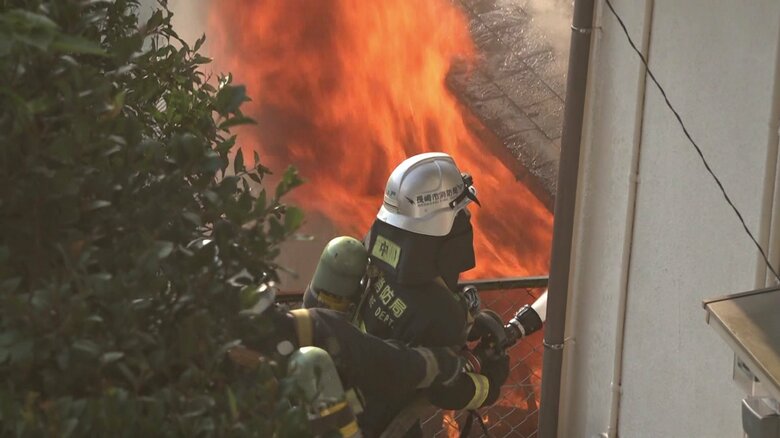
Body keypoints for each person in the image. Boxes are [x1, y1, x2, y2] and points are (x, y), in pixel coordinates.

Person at [354, 152, 509, 437]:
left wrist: (467, 323)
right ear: (442, 223)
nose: (466, 217)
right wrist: (489, 383)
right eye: (460, 211)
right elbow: (446, 390)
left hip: (346, 387)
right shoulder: (440, 314)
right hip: (385, 424)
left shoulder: (376, 240)